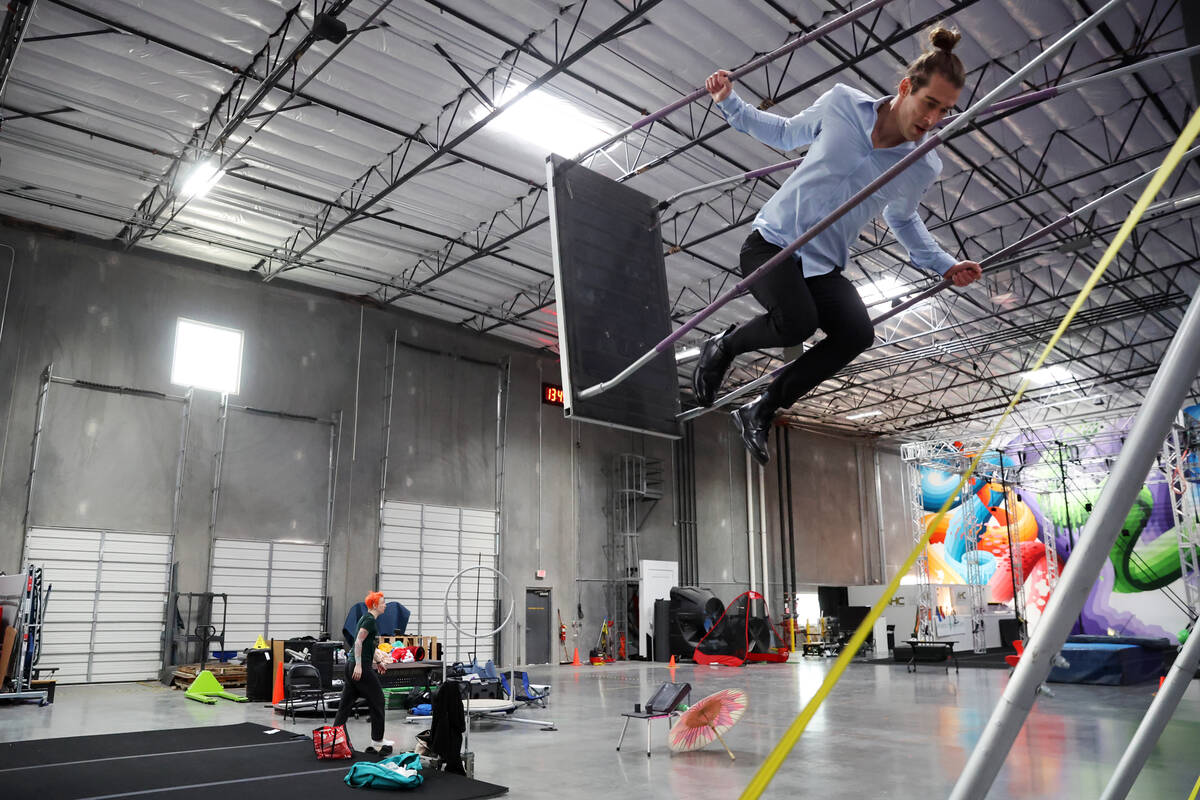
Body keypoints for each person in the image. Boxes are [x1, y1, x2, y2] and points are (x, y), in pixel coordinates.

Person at [693, 26, 983, 464]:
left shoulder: (922, 164)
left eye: (945, 110)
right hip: (772, 243)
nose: (932, 119)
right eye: (929, 103)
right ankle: (724, 346)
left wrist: (943, 264)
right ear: (906, 88)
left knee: (856, 333)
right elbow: (787, 133)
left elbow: (902, 219)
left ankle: (761, 407)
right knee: (797, 322)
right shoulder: (843, 102)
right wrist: (730, 102)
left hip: (823, 266)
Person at [333, 590, 394, 754]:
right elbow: (358, 641)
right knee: (378, 700)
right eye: (383, 603)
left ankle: (334, 739)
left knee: (345, 706)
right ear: (375, 605)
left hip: (351, 665)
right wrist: (359, 665)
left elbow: (368, 645)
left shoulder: (366, 619)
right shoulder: (369, 620)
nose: (385, 605)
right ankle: (378, 740)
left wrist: (379, 661)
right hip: (359, 666)